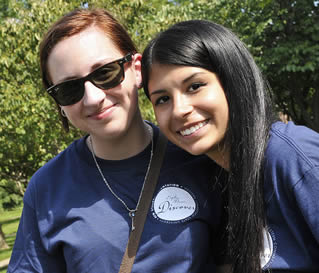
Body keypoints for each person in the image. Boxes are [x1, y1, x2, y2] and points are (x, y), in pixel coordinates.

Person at [7, 9, 229, 273]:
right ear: (59, 104)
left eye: (104, 73)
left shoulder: (200, 157)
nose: (92, 98)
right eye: (70, 89)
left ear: (136, 70)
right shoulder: (46, 187)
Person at [141, 19, 319, 273]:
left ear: (233, 80)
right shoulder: (214, 178)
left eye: (194, 86)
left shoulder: (294, 158)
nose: (179, 110)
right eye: (163, 99)